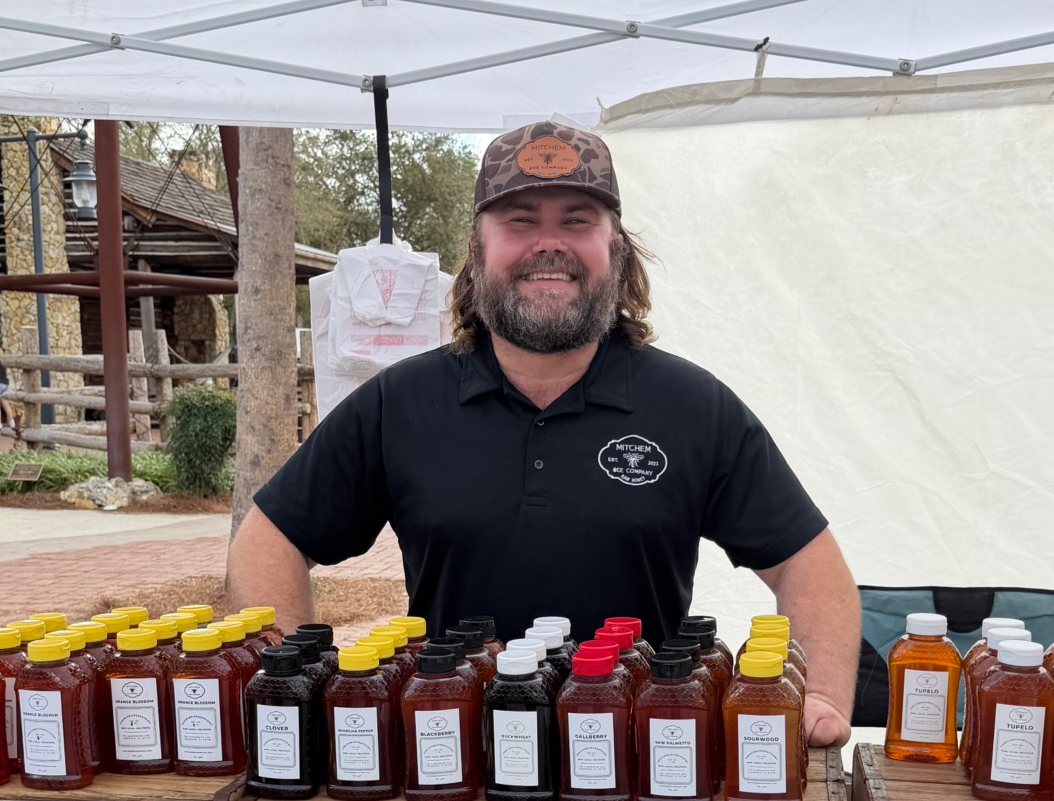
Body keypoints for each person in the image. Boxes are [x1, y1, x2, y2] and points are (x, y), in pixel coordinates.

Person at [226, 121, 861, 744]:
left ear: (616, 249)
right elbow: (269, 540)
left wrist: (823, 696)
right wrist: (290, 691)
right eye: (520, 221)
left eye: (577, 221)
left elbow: (806, 561)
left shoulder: (694, 406)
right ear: (478, 250)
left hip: (646, 773)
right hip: (450, 767)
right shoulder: (399, 403)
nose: (548, 244)